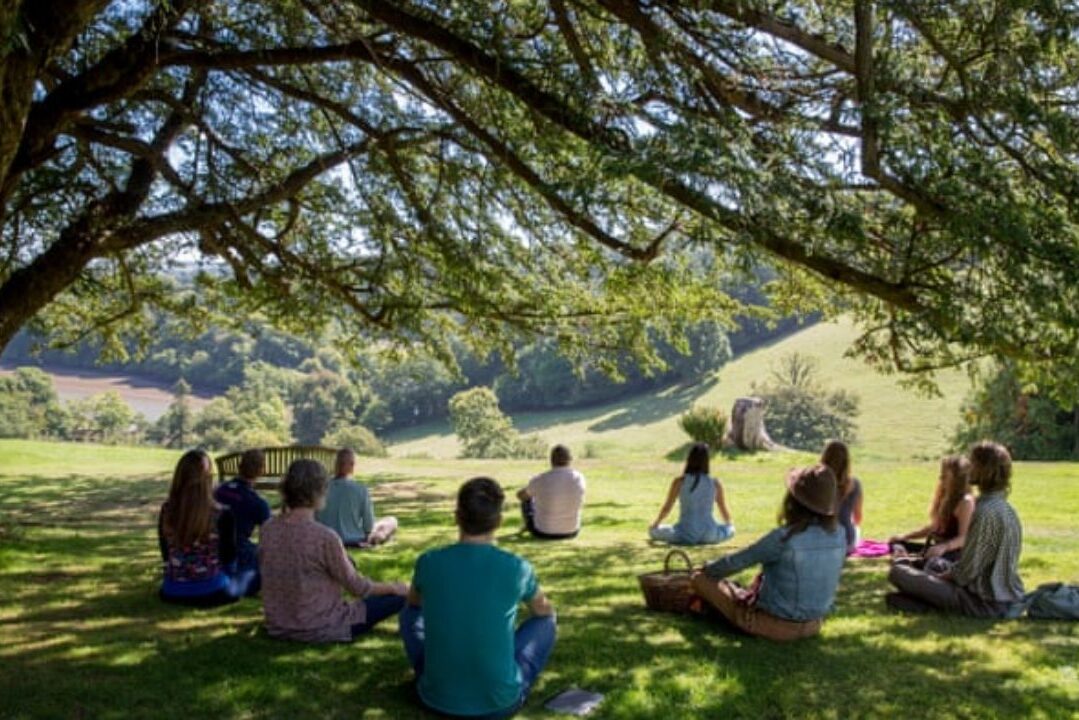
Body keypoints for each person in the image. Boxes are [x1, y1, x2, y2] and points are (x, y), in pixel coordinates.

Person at [400, 477, 556, 719]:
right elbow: (543, 612)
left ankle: (439, 673)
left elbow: (413, 605)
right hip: (500, 703)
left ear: (457, 516)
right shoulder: (517, 567)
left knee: (409, 614)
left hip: (435, 698)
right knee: (547, 621)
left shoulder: (429, 561)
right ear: (499, 521)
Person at [691, 464, 847, 641]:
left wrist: (706, 570)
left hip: (772, 625)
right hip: (814, 624)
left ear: (793, 501)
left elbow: (736, 562)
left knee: (699, 578)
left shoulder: (783, 538)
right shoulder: (840, 534)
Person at [259, 459, 409, 642]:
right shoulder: (324, 537)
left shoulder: (268, 529)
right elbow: (359, 588)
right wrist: (394, 587)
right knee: (401, 596)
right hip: (321, 626)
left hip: (278, 624)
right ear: (320, 490)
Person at [886, 442, 1025, 618]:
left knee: (898, 573)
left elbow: (967, 571)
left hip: (983, 601)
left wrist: (937, 578)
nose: (969, 468)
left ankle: (924, 599)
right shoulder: (1006, 509)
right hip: (1003, 596)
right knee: (932, 568)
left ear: (984, 469)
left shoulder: (984, 511)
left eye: (973, 463)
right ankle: (920, 600)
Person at [158, 449, 257, 607]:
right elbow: (229, 559)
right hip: (212, 591)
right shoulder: (222, 513)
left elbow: (165, 553)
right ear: (208, 478)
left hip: (172, 590)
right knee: (253, 569)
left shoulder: (167, 510)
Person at [889, 455, 974, 563]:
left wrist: (944, 547)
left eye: (945, 474)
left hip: (952, 553)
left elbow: (964, 538)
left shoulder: (965, 502)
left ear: (958, 477)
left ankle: (912, 562)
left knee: (932, 562)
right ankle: (910, 559)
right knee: (896, 543)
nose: (941, 477)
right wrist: (905, 536)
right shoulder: (945, 495)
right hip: (936, 548)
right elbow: (934, 527)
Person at [648, 442, 734, 545]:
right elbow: (722, 508)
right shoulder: (715, 483)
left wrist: (655, 524)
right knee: (730, 529)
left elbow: (667, 508)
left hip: (685, 533)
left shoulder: (679, 482)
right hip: (710, 534)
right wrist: (730, 525)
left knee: (652, 531)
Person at [212, 448, 271, 594]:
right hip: (239, 551)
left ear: (240, 466)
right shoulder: (257, 502)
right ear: (261, 470)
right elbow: (269, 538)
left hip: (212, 551)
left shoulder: (219, 490)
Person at [315, 448, 398, 547]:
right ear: (351, 465)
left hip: (325, 538)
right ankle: (379, 538)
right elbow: (369, 526)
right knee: (391, 520)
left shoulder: (320, 489)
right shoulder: (360, 489)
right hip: (353, 539)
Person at [516, 444, 585, 540]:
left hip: (543, 532)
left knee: (527, 499)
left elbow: (521, 496)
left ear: (551, 460)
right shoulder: (579, 477)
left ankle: (527, 526)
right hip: (572, 531)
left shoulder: (541, 479)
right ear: (570, 459)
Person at [821, 440, 862, 553]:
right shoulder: (855, 483)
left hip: (819, 540)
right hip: (846, 541)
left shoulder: (817, 482)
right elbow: (858, 517)